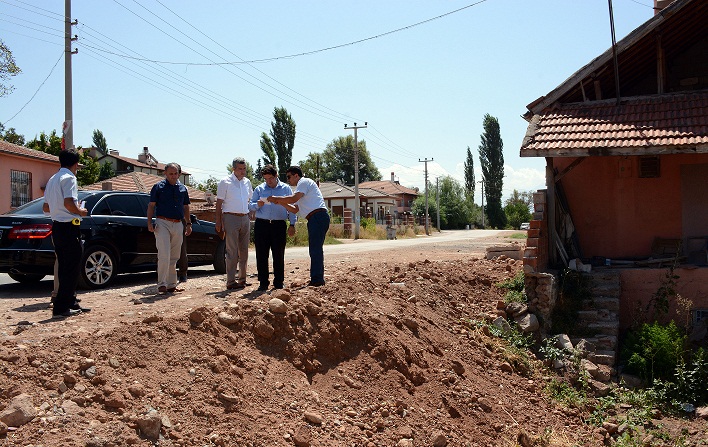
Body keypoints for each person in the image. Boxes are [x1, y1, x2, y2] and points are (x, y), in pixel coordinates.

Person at [44, 149, 90, 318]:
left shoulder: (52, 179)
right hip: (69, 227)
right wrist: (81, 211)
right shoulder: (70, 178)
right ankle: (62, 307)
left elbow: (46, 207)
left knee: (64, 267)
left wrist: (61, 210)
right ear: (76, 164)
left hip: (57, 227)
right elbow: (69, 203)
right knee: (72, 267)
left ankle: (70, 301)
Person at [268, 165, 330, 287]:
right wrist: (280, 202)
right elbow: (295, 209)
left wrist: (277, 198)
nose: (288, 180)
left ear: (296, 175)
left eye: (289, 177)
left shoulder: (303, 182)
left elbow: (292, 199)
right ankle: (316, 277)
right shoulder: (300, 190)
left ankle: (317, 279)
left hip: (317, 217)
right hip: (315, 218)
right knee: (315, 248)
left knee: (315, 249)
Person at [249, 165, 297, 291]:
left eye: (270, 178)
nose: (268, 181)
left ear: (276, 176)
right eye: (266, 179)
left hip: (279, 225)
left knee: (278, 254)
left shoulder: (286, 189)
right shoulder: (259, 189)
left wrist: (292, 224)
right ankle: (263, 283)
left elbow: (292, 208)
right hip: (262, 224)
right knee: (261, 254)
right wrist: (257, 205)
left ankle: (279, 282)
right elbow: (250, 206)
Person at [147, 162, 192, 294]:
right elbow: (151, 205)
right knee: (164, 254)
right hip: (162, 222)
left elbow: (186, 207)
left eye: (175, 173)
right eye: (170, 173)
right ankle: (161, 283)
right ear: (165, 173)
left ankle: (172, 284)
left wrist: (188, 224)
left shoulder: (183, 189)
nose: (173, 176)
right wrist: (149, 222)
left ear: (179, 174)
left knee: (174, 255)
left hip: (178, 223)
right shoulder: (158, 187)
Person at [216, 157, 253, 290]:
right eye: (240, 169)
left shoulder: (247, 182)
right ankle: (231, 281)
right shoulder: (225, 182)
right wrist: (218, 221)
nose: (243, 171)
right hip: (230, 217)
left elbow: (250, 199)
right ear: (233, 169)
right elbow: (219, 203)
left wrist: (251, 212)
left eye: (244, 169)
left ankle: (242, 279)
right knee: (232, 251)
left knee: (244, 251)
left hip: (245, 217)